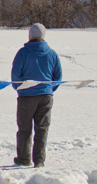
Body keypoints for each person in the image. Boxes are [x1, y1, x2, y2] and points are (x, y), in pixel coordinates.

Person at [11, 23, 62, 168]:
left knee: (24, 129)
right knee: (42, 129)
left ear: (30, 36)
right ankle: (39, 160)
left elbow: (15, 75)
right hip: (46, 96)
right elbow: (58, 76)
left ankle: (24, 158)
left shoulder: (23, 53)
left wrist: (20, 88)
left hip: (27, 96)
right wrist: (49, 89)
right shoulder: (52, 54)